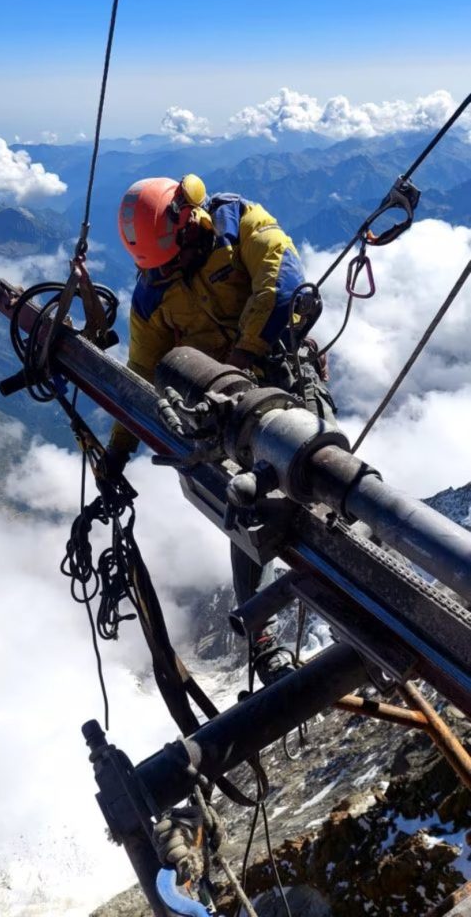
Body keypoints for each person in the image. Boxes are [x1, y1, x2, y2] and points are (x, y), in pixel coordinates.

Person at [106, 174, 336, 685]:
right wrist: (117, 451)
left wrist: (241, 358)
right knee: (247, 503)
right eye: (160, 266)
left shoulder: (242, 224)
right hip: (225, 407)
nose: (172, 270)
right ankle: (261, 635)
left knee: (325, 470)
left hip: (277, 371)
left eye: (174, 257)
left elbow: (280, 282)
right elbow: (142, 376)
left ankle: (353, 567)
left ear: (190, 219)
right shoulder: (153, 294)